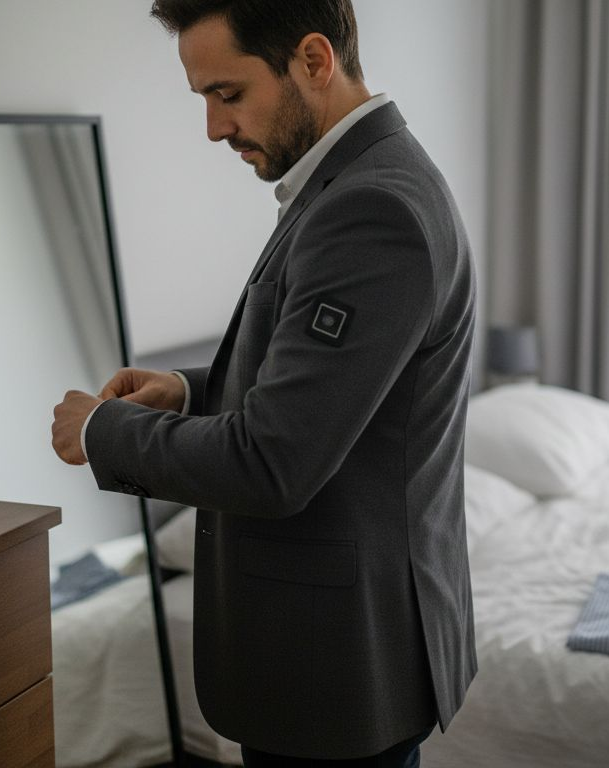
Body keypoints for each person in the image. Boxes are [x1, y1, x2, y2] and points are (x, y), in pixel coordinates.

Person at [50, 1, 476, 764]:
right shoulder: (359, 180)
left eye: (228, 94)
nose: (215, 129)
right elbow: (324, 389)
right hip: (338, 656)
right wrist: (188, 391)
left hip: (332, 666)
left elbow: (273, 463)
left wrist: (98, 432)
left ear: (314, 60)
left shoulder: (369, 209)